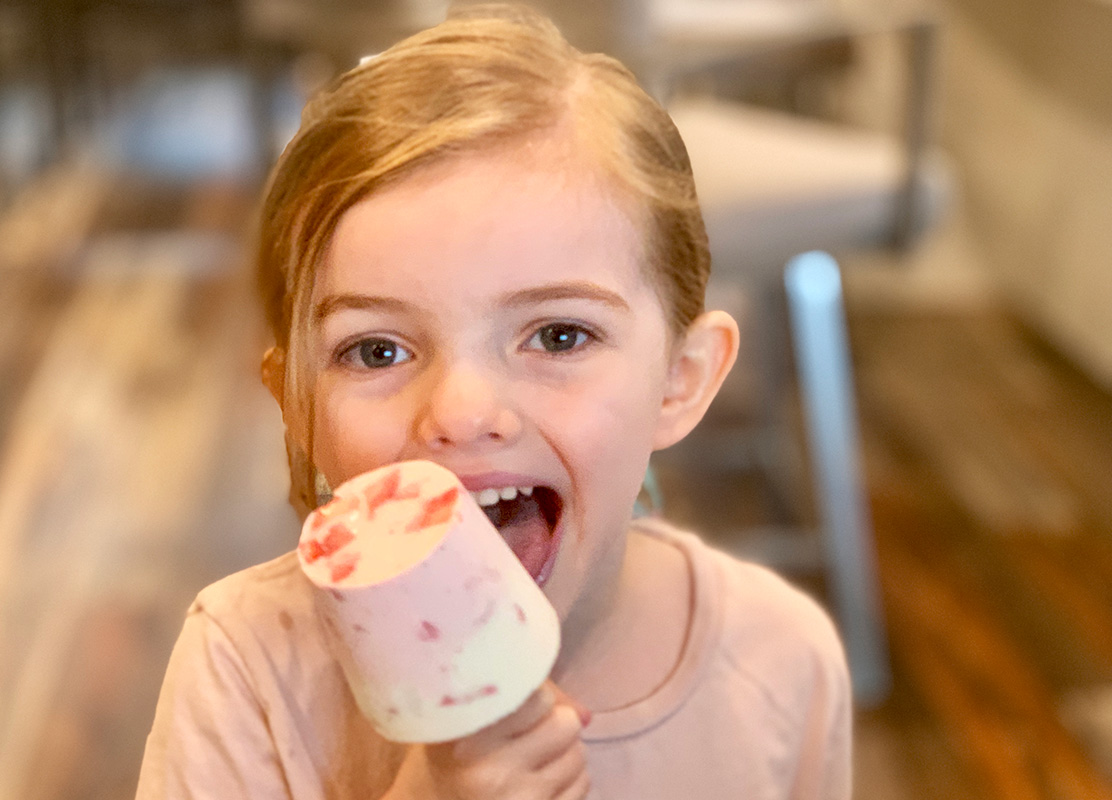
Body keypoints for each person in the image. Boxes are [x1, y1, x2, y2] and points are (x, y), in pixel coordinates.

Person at [135, 4, 852, 798]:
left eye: (557, 337)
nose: (462, 411)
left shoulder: (781, 661)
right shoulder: (249, 666)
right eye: (377, 350)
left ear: (680, 380)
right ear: (296, 406)